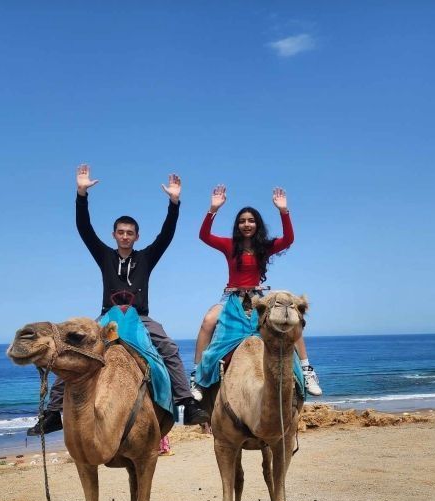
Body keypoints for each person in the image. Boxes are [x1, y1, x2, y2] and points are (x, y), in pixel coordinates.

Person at [30, 164, 209, 435]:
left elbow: (167, 235)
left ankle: (186, 402)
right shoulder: (105, 256)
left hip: (139, 318)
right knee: (71, 348)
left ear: (137, 237)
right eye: (121, 232)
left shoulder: (146, 258)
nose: (125, 236)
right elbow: (84, 228)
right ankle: (54, 412)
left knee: (169, 348)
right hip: (108, 318)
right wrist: (81, 194)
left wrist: (174, 203)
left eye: (130, 233)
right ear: (114, 235)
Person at [190, 184, 322, 399]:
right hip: (231, 296)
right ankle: (196, 376)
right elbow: (204, 236)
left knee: (291, 320)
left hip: (258, 298)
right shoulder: (229, 245)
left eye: (251, 220)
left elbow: (288, 239)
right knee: (208, 321)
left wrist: (283, 211)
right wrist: (213, 209)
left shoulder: (265, 247)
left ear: (257, 224)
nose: (246, 224)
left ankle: (307, 371)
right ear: (237, 225)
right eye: (242, 221)